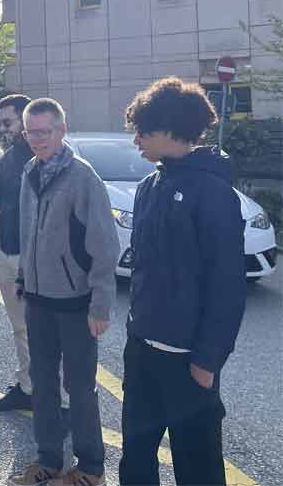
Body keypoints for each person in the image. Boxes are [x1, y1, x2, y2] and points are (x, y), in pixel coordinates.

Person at [118, 77, 246, 486]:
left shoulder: (213, 192)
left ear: (169, 128)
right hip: (142, 351)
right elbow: (143, 268)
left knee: (198, 467)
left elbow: (227, 285)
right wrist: (134, 334)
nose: (136, 139)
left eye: (143, 130)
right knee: (136, 457)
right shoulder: (149, 186)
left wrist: (208, 360)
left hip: (190, 362)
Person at [9, 98, 119, 486]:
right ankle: (49, 460)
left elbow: (105, 247)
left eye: (44, 131)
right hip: (38, 301)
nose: (36, 139)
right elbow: (27, 232)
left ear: (61, 130)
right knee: (43, 385)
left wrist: (100, 305)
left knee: (80, 388)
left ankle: (90, 467)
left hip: (76, 305)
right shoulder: (30, 171)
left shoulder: (83, 177)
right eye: (30, 132)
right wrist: (23, 277)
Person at [0, 94, 36, 412]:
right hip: (5, 252)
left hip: (28, 259)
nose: (2, 128)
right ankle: (27, 386)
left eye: (8, 122)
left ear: (25, 121)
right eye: (0, 122)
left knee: (39, 330)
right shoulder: (10, 156)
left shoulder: (40, 157)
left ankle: (54, 399)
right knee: (20, 327)